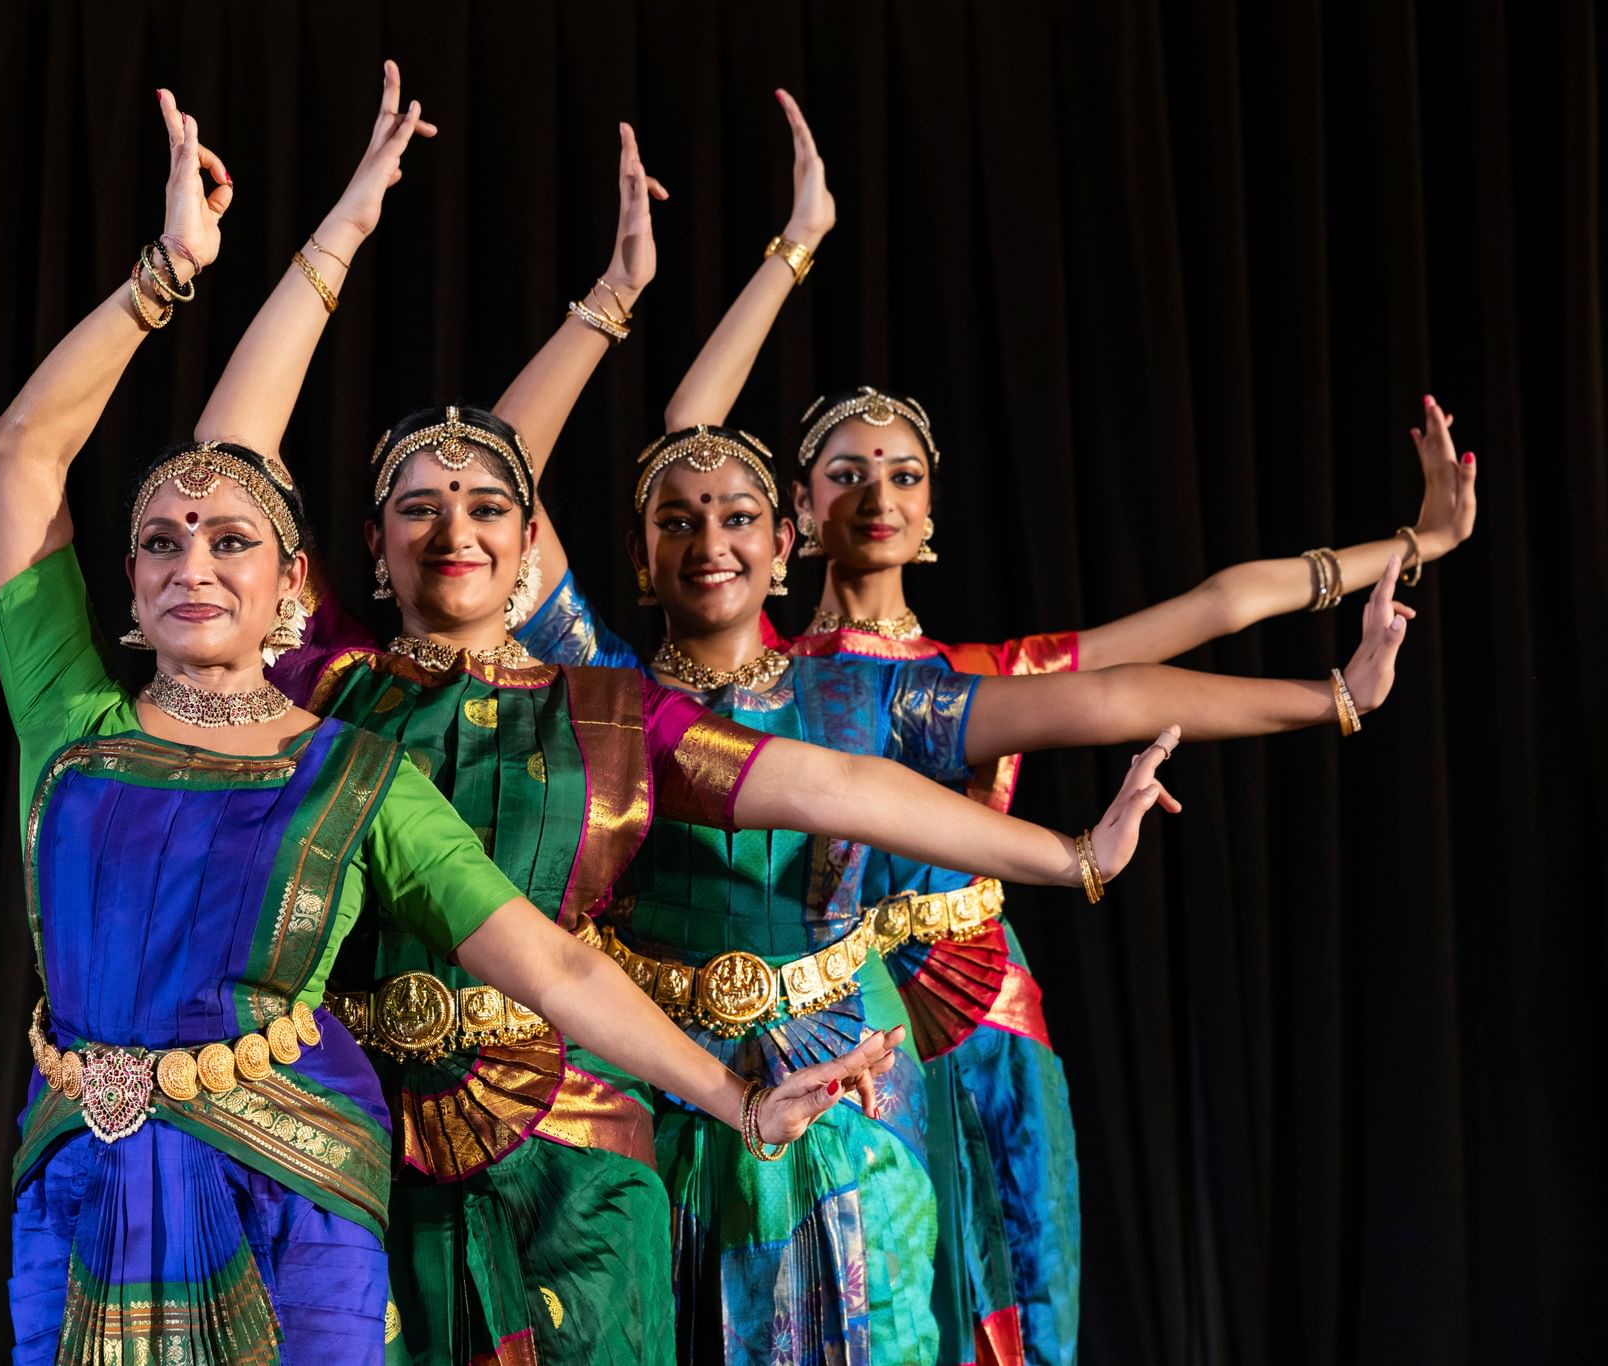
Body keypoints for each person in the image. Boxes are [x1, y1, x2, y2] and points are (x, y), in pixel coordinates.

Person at [189, 67, 1187, 1366]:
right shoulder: (326, 683)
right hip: (364, 1136)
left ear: (528, 536)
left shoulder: (609, 707)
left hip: (577, 1148)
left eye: (493, 504)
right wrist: (339, 241)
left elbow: (826, 787)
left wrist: (1070, 857)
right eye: (420, 505)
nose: (459, 525)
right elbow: (227, 476)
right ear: (370, 553)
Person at [0, 82, 906, 1366]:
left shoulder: (349, 766)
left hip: (295, 1193)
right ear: (128, 590)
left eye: (232, 537)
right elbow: (27, 447)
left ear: (294, 585)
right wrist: (165, 276)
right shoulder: (67, 723)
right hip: (79, 1190)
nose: (193, 558)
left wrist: (738, 1101)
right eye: (158, 540)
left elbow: (556, 965)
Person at [553, 86, 1464, 1366]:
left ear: (932, 516)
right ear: (792, 519)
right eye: (843, 474)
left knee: (996, 1294)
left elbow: (1185, 629)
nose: (878, 495)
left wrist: (1405, 565)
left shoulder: (954, 678)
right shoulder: (708, 670)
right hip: (760, 1011)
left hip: (962, 993)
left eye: (905, 475)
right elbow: (688, 451)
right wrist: (791, 248)